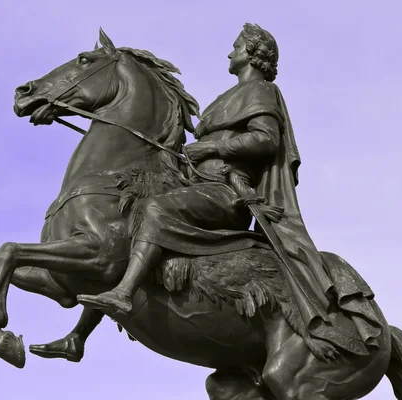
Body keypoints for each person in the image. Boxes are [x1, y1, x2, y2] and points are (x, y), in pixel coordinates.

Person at [76, 22, 345, 352]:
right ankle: (78, 337)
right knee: (122, 219)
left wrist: (212, 149)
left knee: (154, 208)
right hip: (199, 184)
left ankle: (124, 293)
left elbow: (266, 140)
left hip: (226, 194)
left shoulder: (261, 91)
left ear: (252, 54)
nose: (230, 52)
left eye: (236, 46)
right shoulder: (226, 97)